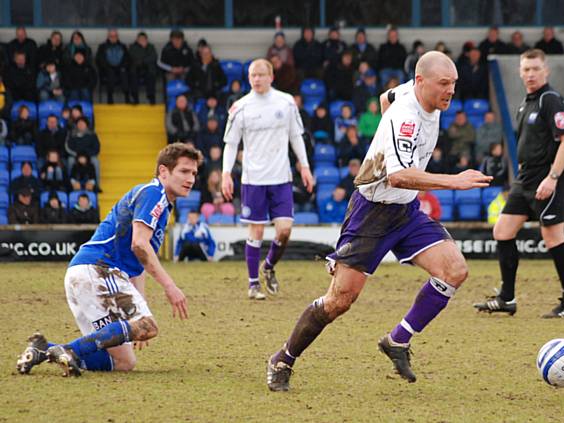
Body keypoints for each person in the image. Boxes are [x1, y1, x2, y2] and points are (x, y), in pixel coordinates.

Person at [266, 51, 492, 391]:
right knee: (339, 301)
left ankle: (397, 341)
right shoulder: (407, 118)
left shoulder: (406, 93)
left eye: (454, 84)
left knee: (454, 270)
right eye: (444, 84)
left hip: (406, 212)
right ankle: (282, 358)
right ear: (421, 82)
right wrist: (454, 180)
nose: (450, 91)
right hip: (371, 213)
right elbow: (399, 176)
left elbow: (383, 98)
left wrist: (384, 141)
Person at [16, 143, 202, 377]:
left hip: (84, 273)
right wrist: (170, 287)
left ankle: (44, 350)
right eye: (184, 171)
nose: (191, 178)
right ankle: (68, 350)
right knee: (150, 327)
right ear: (164, 172)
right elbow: (140, 245)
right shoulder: (154, 193)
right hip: (99, 270)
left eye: (194, 173)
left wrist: (137, 316)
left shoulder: (161, 204)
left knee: (124, 361)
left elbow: (138, 260)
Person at [473, 49, 564, 318]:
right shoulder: (524, 104)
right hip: (525, 179)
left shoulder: (550, 100)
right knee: (503, 231)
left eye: (535, 68)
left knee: (553, 237)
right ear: (520, 73)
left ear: (546, 71)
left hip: (547, 178)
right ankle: (507, 299)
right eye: (526, 69)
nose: (530, 74)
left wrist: (552, 178)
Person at [222, 58, 314, 300]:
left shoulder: (286, 103)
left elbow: (296, 137)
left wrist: (304, 167)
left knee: (284, 230)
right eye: (253, 75)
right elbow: (231, 144)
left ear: (271, 77)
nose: (257, 79)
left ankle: (269, 266)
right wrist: (226, 173)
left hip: (281, 178)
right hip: (253, 180)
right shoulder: (240, 107)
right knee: (257, 231)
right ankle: (253, 284)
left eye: (261, 74)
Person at [96, 29, 131, 104]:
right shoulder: (102, 47)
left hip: (120, 68)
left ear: (118, 37)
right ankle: (110, 97)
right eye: (111, 36)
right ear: (108, 37)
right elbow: (99, 59)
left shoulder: (123, 46)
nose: (113, 38)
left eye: (115, 36)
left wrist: (123, 66)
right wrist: (107, 66)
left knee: (124, 73)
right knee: (110, 73)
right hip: (107, 69)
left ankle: (127, 97)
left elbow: (127, 59)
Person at [128, 32, 158, 105]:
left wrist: (143, 60)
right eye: (140, 39)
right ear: (137, 40)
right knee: (133, 75)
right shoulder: (132, 47)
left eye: (143, 39)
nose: (142, 40)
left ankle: (151, 98)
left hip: (148, 68)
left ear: (146, 39)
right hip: (136, 68)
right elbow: (133, 57)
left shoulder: (151, 47)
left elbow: (154, 57)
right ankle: (135, 98)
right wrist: (143, 57)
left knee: (151, 75)